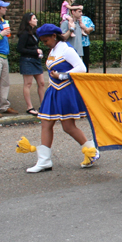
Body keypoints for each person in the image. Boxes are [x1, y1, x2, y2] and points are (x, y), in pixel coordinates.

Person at [25, 24, 99, 173]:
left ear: (54, 36)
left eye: (46, 40)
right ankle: (44, 161)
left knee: (68, 127)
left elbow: (82, 68)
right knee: (46, 124)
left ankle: (92, 152)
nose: (44, 44)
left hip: (65, 91)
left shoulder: (66, 49)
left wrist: (63, 75)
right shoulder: (54, 49)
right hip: (53, 91)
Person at [16, 12, 47, 116]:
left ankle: (43, 104)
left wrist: (37, 50)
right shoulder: (24, 33)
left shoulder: (34, 32)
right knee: (28, 83)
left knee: (41, 82)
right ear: (28, 21)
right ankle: (29, 107)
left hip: (36, 60)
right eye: (34, 18)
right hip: (27, 60)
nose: (36, 20)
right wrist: (35, 52)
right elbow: (20, 49)